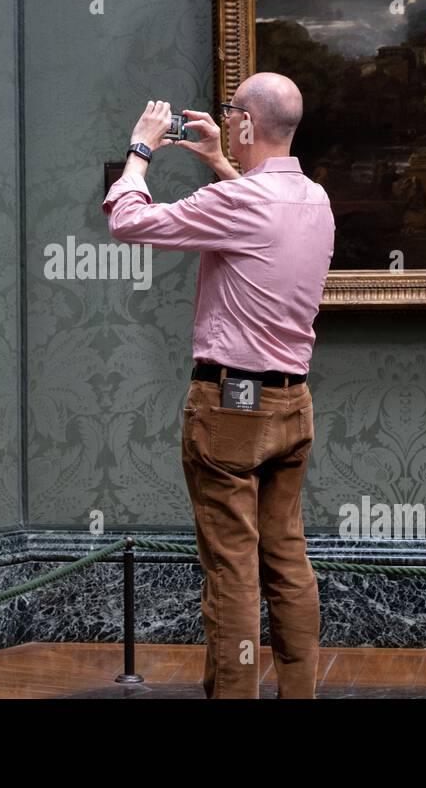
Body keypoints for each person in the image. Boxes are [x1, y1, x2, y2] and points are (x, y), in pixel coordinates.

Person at [102, 72, 336, 699]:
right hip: (293, 405)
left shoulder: (242, 204)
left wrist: (141, 149)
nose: (229, 119)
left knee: (232, 568)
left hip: (231, 409)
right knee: (286, 559)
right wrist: (215, 160)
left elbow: (129, 221)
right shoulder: (316, 201)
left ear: (248, 125)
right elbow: (261, 221)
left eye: (234, 113)